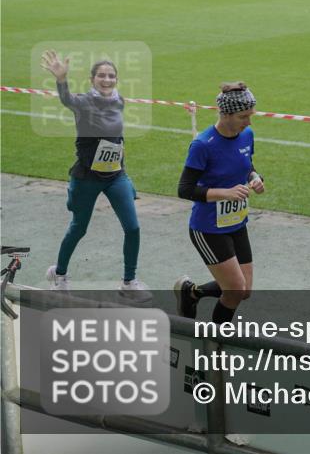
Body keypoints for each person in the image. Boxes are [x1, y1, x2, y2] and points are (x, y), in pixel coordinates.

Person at [40, 50, 149, 300]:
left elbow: (116, 138)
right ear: (92, 79)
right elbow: (67, 100)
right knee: (79, 227)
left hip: (115, 176)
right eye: (102, 75)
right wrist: (61, 79)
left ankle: (129, 281)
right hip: (87, 176)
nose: (107, 79)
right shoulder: (83, 102)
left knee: (132, 227)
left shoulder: (118, 100)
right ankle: (60, 275)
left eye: (111, 76)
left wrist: (121, 164)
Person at [175, 82, 264, 325]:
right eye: (243, 116)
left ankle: (191, 293)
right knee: (234, 290)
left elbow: (246, 166)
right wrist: (224, 193)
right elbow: (184, 189)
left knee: (243, 291)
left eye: (250, 116)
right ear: (225, 114)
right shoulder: (203, 145)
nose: (248, 122)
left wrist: (255, 179)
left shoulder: (247, 135)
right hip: (208, 229)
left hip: (236, 223)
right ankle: (215, 346)